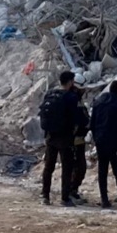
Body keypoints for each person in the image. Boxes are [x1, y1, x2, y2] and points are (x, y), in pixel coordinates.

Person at [37, 71, 82, 207]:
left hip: (50, 136)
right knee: (66, 168)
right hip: (65, 137)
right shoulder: (71, 97)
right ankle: (64, 198)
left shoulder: (50, 94)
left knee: (48, 167)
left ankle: (45, 195)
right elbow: (77, 118)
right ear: (70, 82)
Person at [90, 79, 117, 209]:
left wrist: (96, 138)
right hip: (114, 140)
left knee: (102, 170)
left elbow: (92, 123)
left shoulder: (98, 102)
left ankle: (104, 200)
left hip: (100, 140)